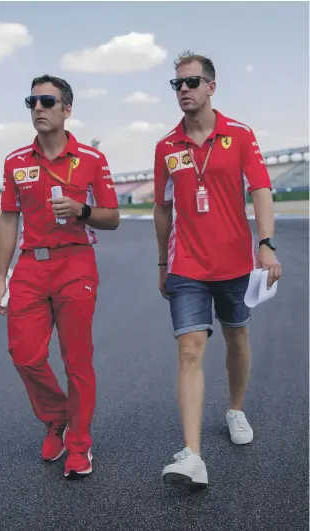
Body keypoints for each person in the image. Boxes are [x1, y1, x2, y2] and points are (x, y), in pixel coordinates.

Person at [153, 51, 282, 488]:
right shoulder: (166, 147)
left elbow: (261, 190)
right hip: (186, 263)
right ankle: (192, 455)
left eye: (191, 83)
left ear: (211, 86)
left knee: (236, 335)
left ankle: (235, 409)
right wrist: (161, 262)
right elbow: (161, 209)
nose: (183, 90)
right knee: (190, 349)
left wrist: (265, 244)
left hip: (234, 262)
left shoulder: (240, 135)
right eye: (177, 85)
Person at [0, 74, 120, 479]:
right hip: (30, 265)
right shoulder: (15, 161)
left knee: (77, 361)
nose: (39, 108)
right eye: (33, 101)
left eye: (47, 101)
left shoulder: (92, 160)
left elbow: (112, 218)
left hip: (75, 263)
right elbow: (8, 221)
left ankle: (79, 444)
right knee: (24, 354)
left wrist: (81, 210)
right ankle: (57, 416)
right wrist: (0, 278)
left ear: (67, 109)